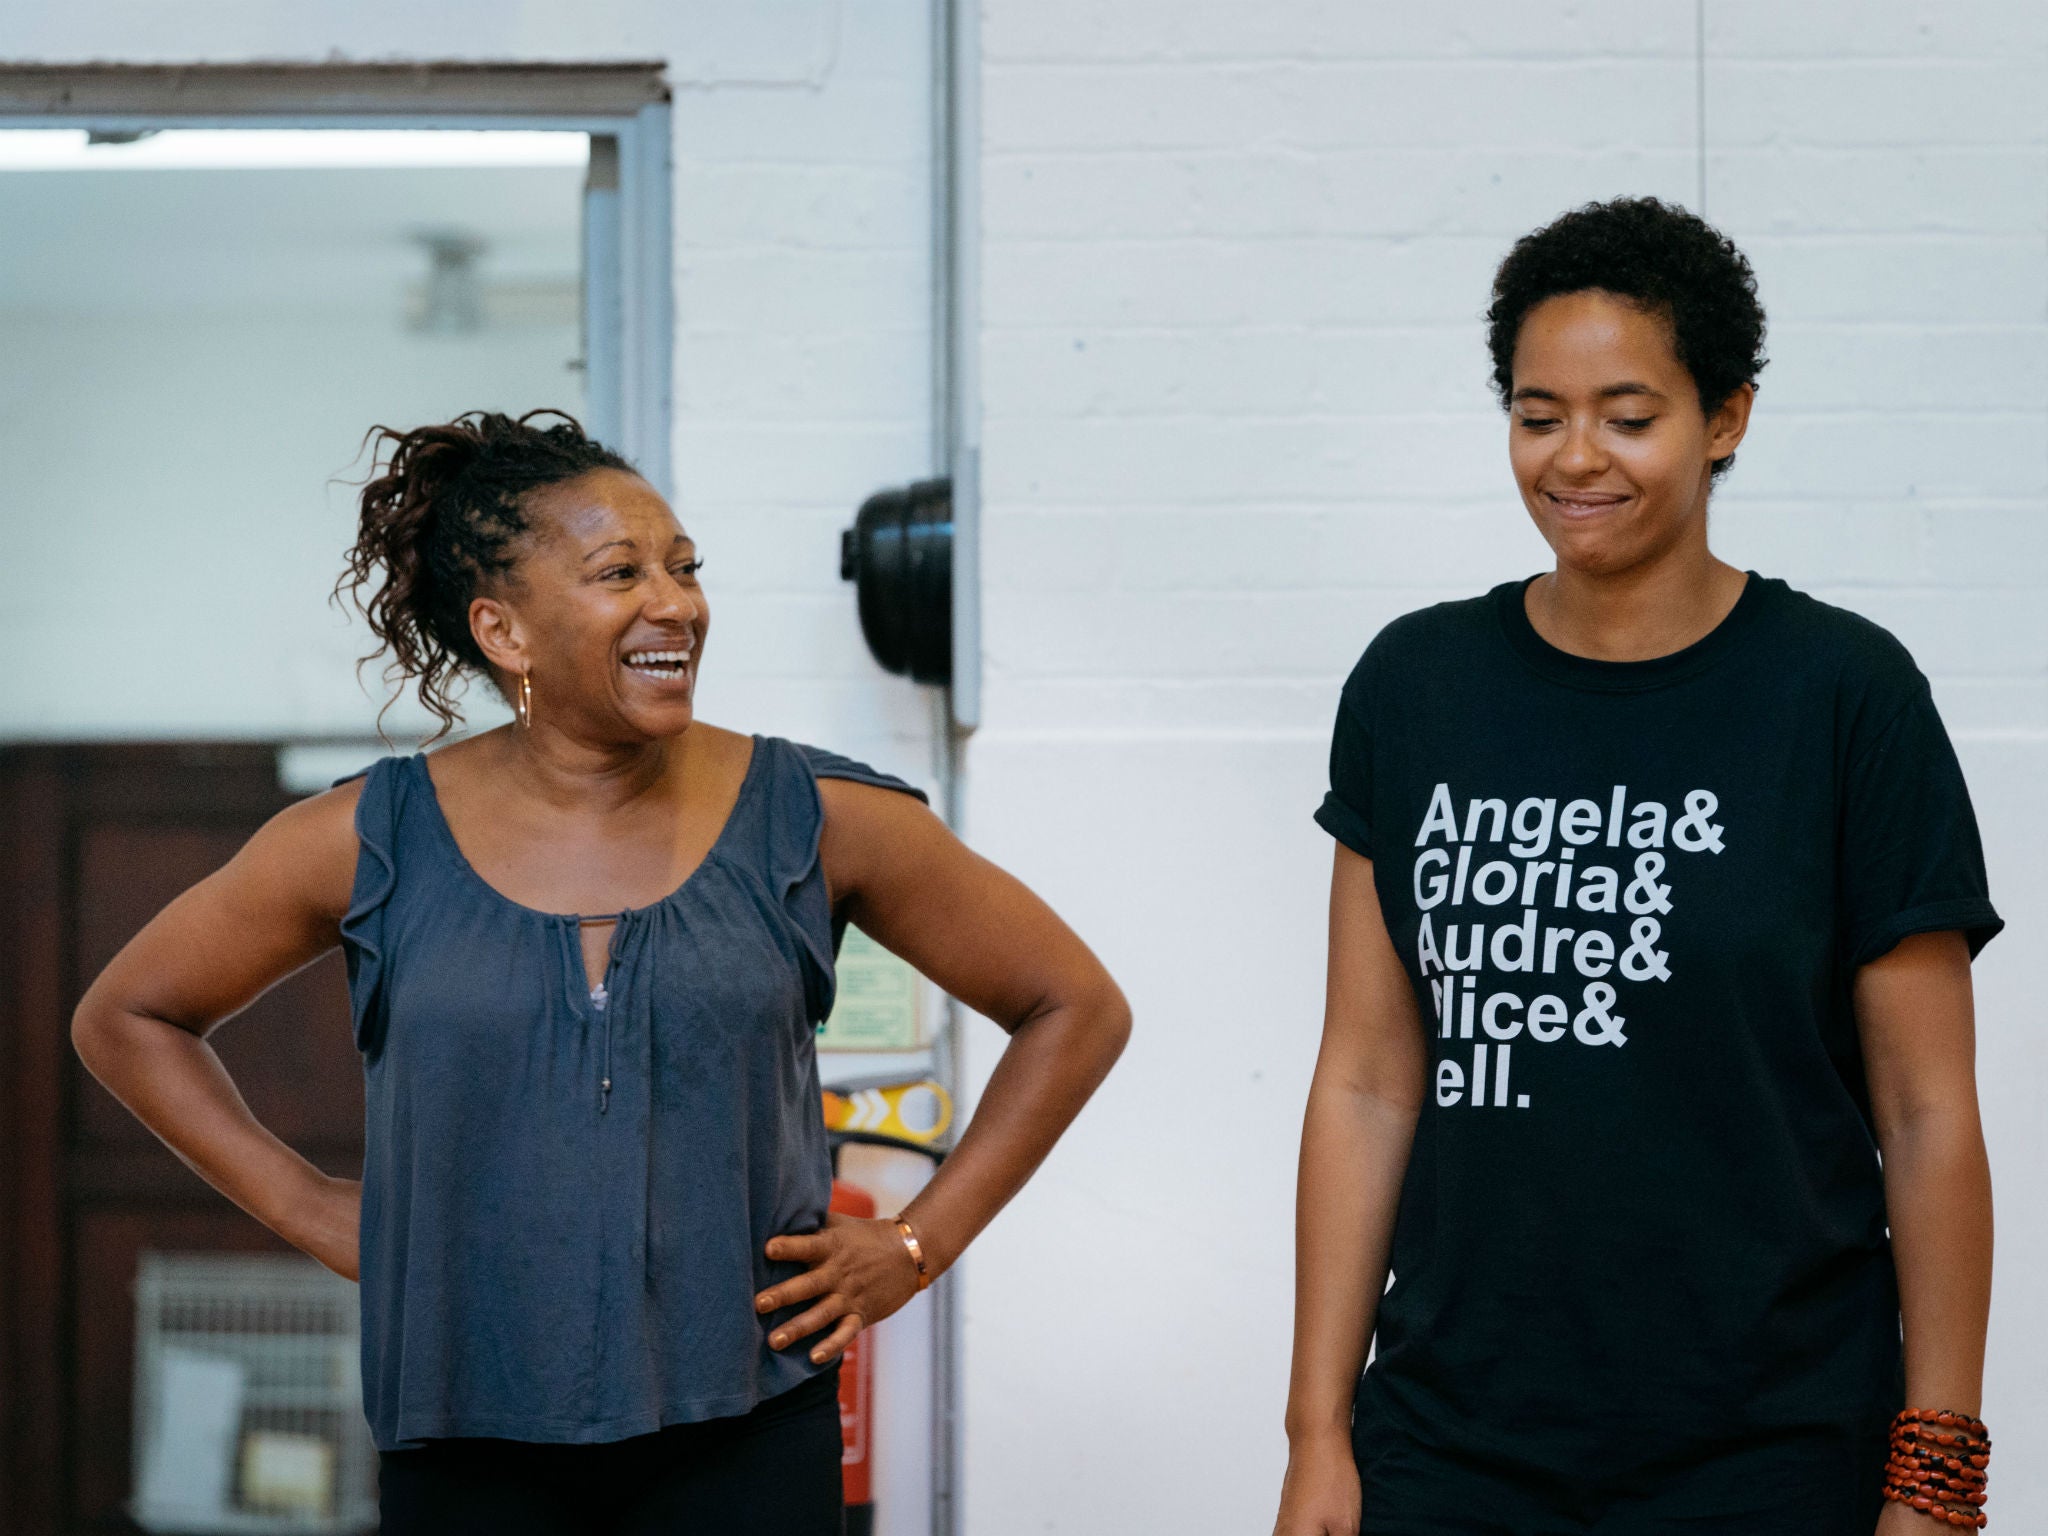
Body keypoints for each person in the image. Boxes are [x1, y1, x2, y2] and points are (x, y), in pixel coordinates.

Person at [73, 411, 1131, 1536]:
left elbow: (1074, 1006)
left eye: (683, 569)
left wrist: (916, 1245)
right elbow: (129, 1014)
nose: (674, 604)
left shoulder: (816, 818)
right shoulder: (366, 838)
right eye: (619, 572)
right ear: (505, 631)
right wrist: (307, 1204)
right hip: (464, 1436)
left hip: (747, 1432)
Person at [1273, 198, 2002, 1536]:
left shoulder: (1845, 697)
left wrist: (1936, 1474)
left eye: (1628, 413)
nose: (1576, 458)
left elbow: (1926, 1113)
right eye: (1538, 414)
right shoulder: (1415, 688)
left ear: (1725, 418)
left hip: (1772, 1447)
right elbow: (1370, 1082)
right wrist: (1319, 1431)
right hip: (1455, 1440)